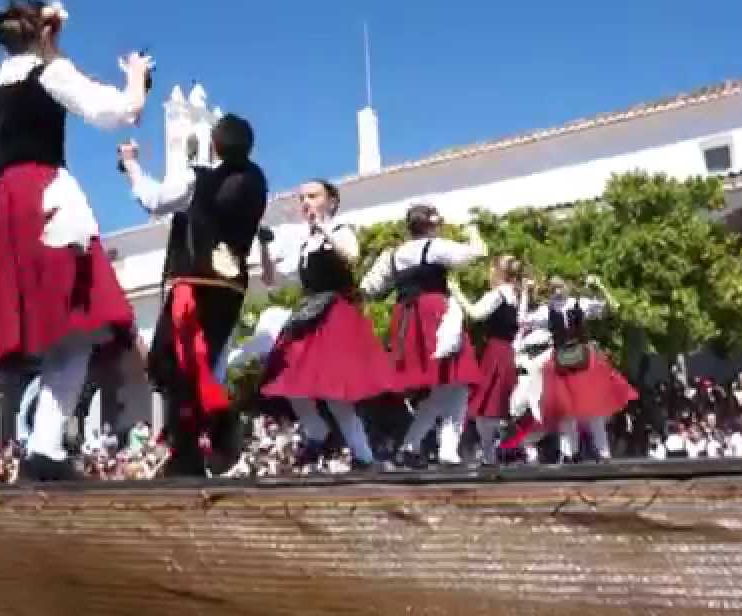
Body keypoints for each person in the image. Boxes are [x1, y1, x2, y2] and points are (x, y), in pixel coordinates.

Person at [0, 2, 152, 482]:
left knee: (52, 328)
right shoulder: (52, 73)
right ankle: (44, 446)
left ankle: (44, 445)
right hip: (46, 200)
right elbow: (120, 111)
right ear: (44, 29)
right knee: (78, 324)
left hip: (0, 205)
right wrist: (138, 75)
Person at [119, 114, 268, 476]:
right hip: (230, 286)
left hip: (195, 285)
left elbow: (153, 200)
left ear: (215, 144)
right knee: (202, 367)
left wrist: (132, 165)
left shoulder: (198, 179)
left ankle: (203, 438)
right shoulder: (257, 182)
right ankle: (199, 442)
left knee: (174, 366)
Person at [258, 180, 394, 470]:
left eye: (312, 196)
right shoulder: (305, 243)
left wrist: (323, 227)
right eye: (302, 197)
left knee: (336, 394)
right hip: (310, 313)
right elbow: (272, 280)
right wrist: (265, 246)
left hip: (335, 314)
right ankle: (318, 431)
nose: (305, 202)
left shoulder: (341, 230)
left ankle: (364, 456)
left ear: (330, 201)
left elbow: (351, 255)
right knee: (287, 377)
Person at [360, 204, 486, 468]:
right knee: (456, 382)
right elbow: (476, 253)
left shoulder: (392, 254)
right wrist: (473, 231)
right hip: (436, 315)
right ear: (431, 224)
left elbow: (369, 287)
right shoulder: (436, 246)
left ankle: (416, 445)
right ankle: (441, 449)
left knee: (446, 387)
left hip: (407, 318)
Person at [522, 276, 637, 461]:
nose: (557, 291)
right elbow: (523, 320)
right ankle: (570, 453)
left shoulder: (580, 304)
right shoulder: (547, 310)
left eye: (560, 286)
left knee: (593, 408)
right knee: (566, 412)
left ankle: (603, 452)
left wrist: (599, 285)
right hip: (562, 363)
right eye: (553, 287)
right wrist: (526, 294)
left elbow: (613, 307)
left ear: (568, 286)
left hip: (584, 361)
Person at [449, 256, 526, 465]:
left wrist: (456, 292)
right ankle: (493, 450)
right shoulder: (517, 294)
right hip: (507, 351)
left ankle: (493, 449)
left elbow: (475, 314)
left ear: (499, 272)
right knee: (491, 406)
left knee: (486, 406)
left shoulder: (499, 294)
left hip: (495, 351)